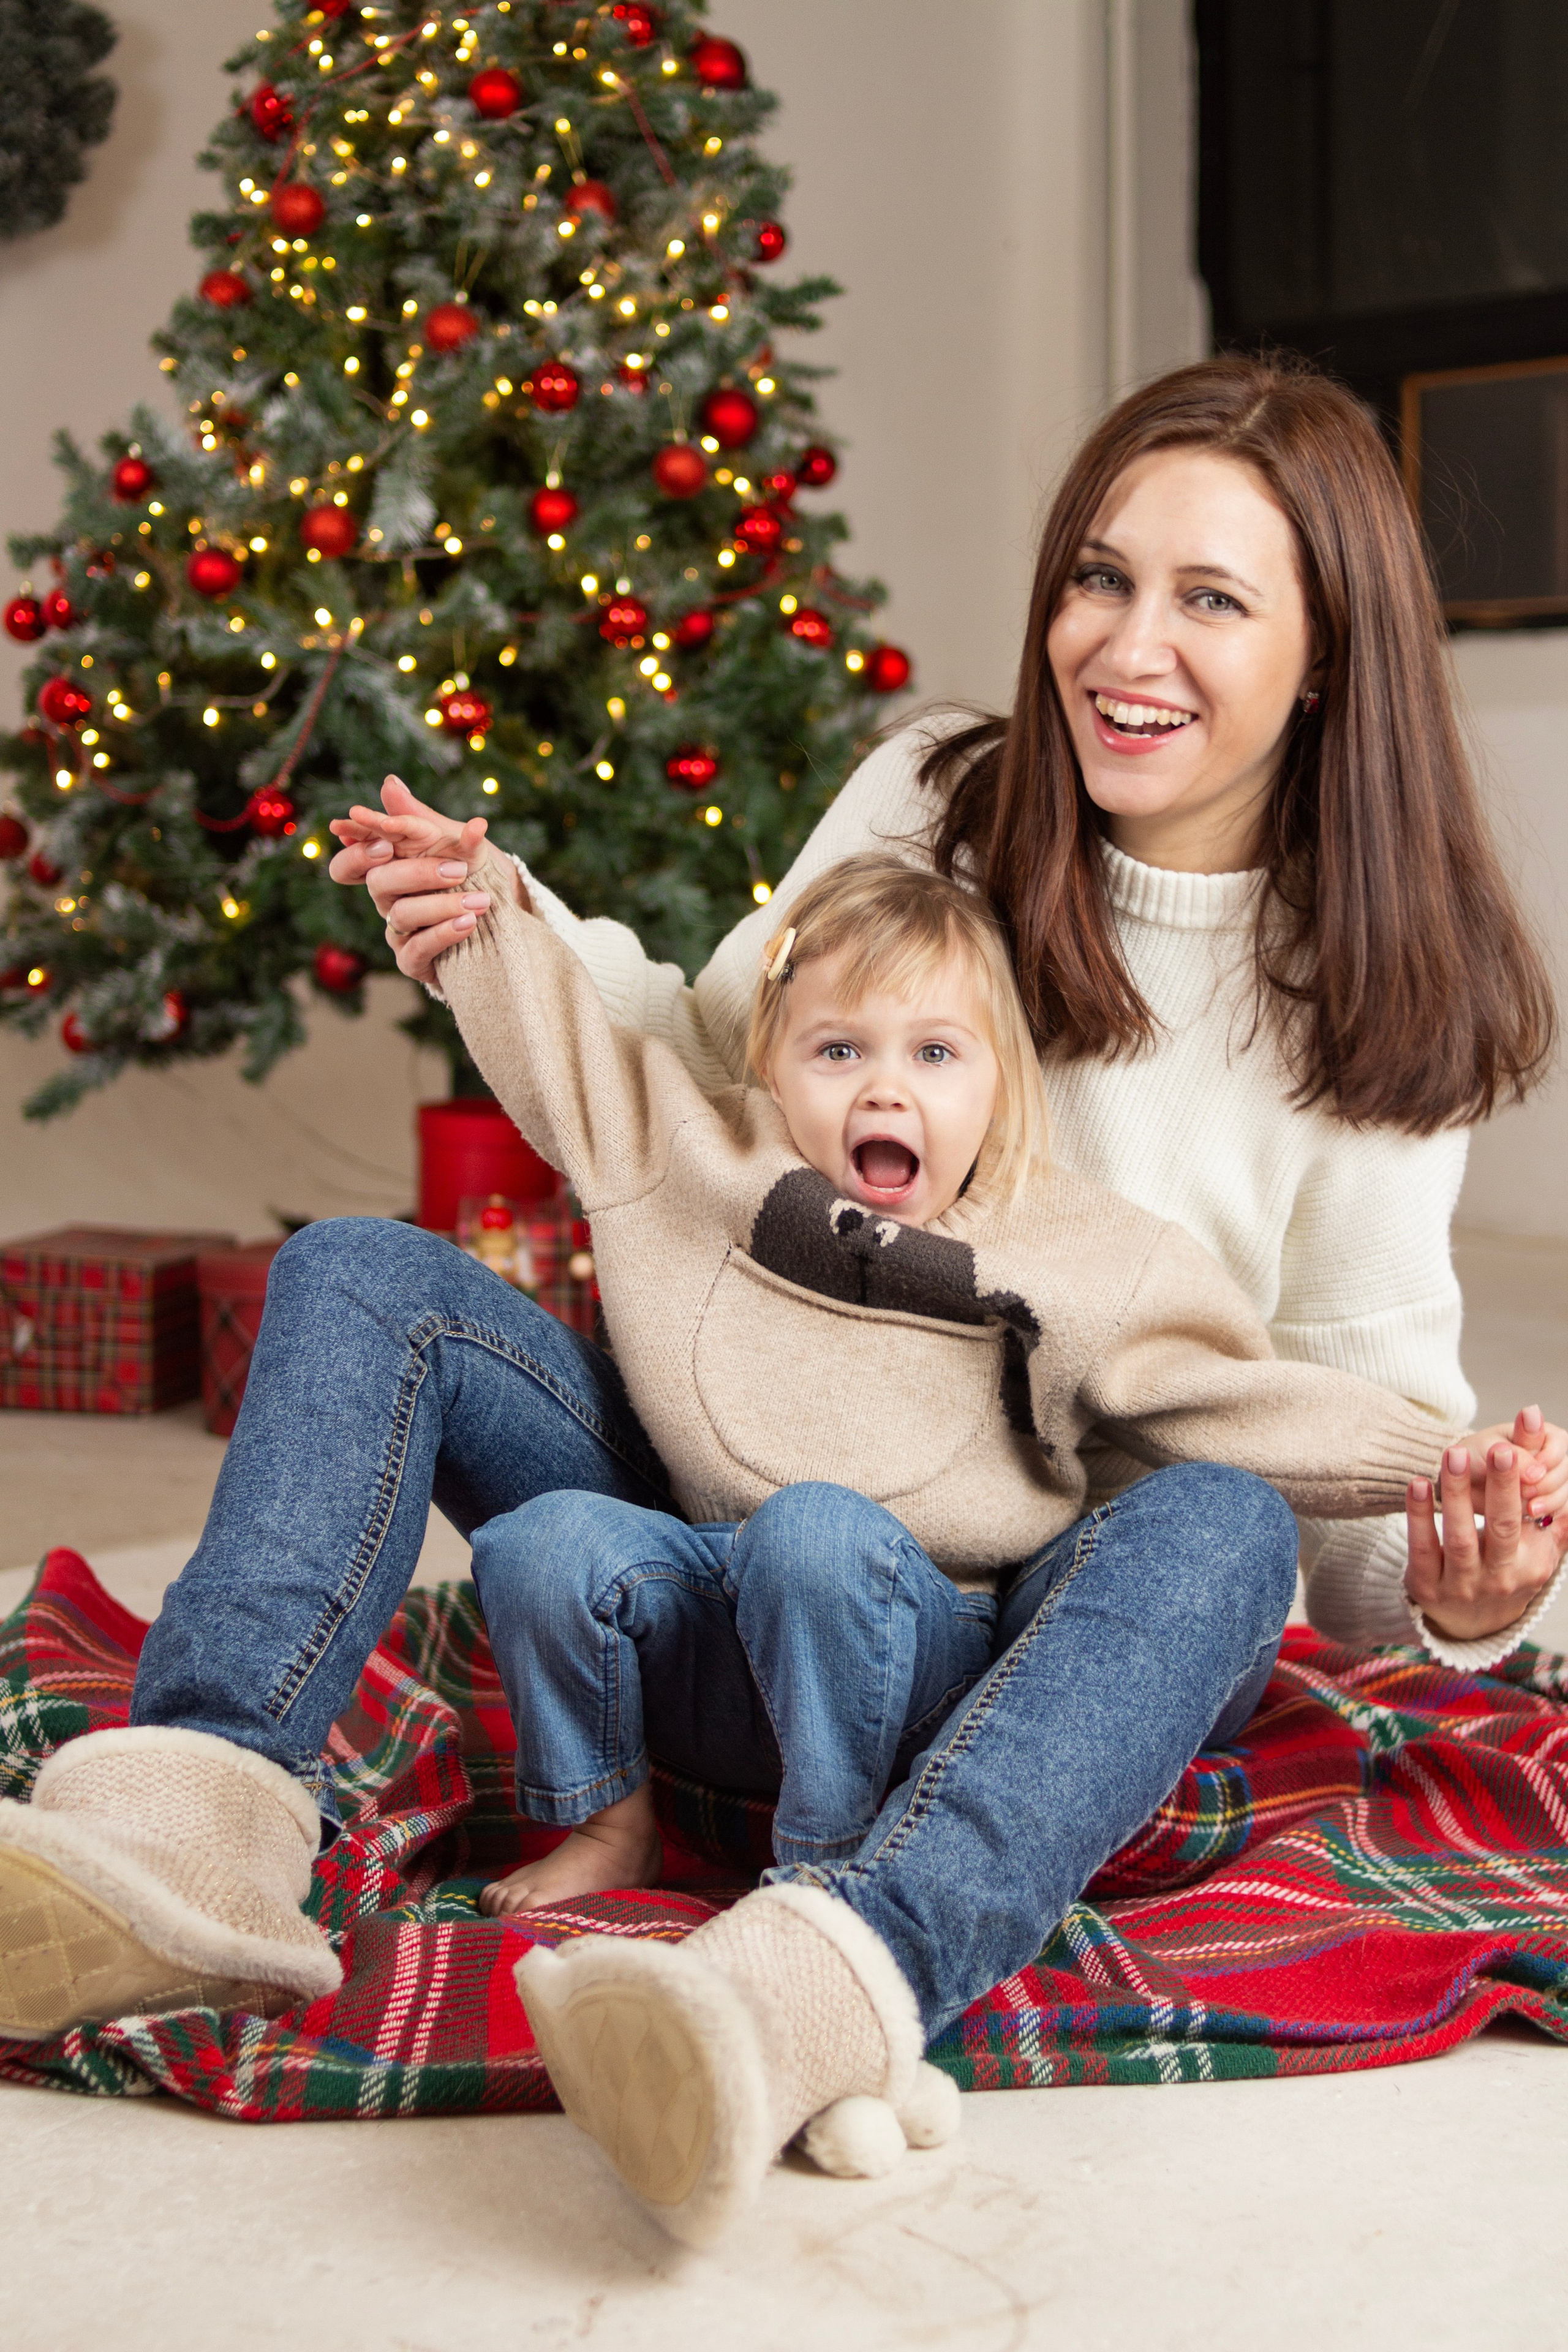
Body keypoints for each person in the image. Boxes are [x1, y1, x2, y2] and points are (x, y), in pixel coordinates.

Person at [0, 354, 1555, 2215]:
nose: (1126, 646)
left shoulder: (1371, 1025)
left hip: (1011, 1648)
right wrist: (503, 924)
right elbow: (700, 1055)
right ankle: (192, 1832)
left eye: (1210, 599)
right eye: (1101, 576)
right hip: (719, 1532)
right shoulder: (940, 797)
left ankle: (825, 1980)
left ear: (1326, 660)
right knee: (358, 1276)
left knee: (1215, 1521)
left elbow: (1349, 1516)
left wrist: (1466, 1588)